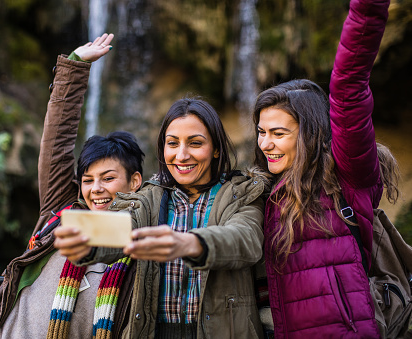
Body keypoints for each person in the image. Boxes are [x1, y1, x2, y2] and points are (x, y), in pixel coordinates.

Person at [0, 33, 145, 339]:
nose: (96, 188)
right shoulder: (62, 212)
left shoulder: (140, 242)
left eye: (108, 178)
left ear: (135, 182)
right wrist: (75, 66)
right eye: (87, 180)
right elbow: (56, 144)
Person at [55, 97, 269, 338]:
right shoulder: (148, 197)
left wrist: (191, 243)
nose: (182, 154)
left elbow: (245, 239)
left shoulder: (242, 193)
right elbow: (121, 228)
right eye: (172, 143)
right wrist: (86, 238)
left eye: (195, 143)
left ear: (216, 148)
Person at [252, 0, 390, 337]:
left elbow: (349, 91)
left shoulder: (347, 177)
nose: (265, 144)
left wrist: (367, 10)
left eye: (279, 133)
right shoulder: (262, 194)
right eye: (261, 132)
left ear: (311, 134)